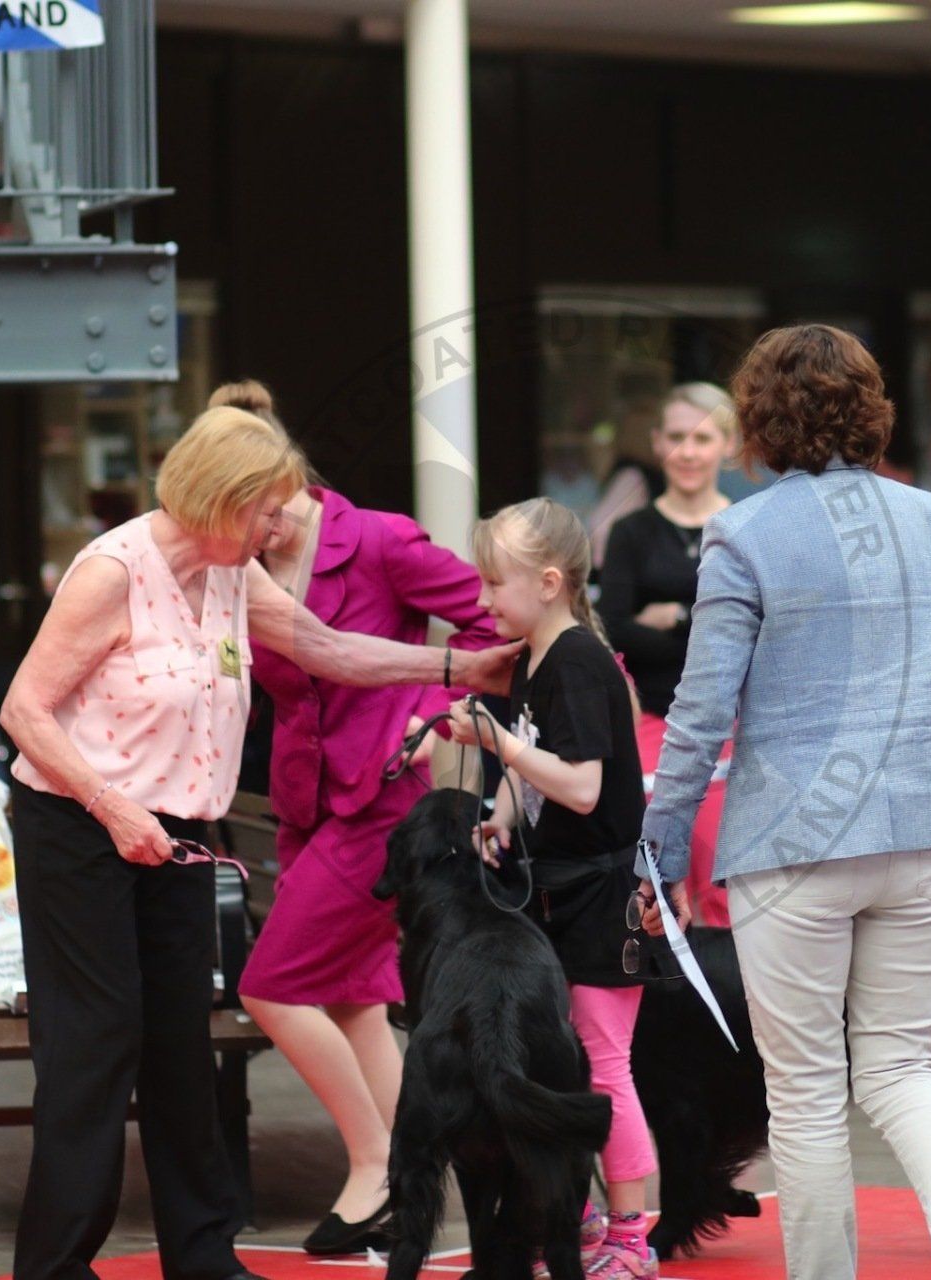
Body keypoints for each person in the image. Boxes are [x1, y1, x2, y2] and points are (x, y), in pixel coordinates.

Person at [0, 404, 516, 1280]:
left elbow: (325, 648)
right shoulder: (113, 571)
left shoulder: (231, 573)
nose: (279, 528)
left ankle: (203, 1255)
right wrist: (112, 809)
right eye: (268, 511)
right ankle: (54, 1266)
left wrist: (458, 668)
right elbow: (24, 710)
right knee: (96, 1043)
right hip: (80, 825)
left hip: (174, 831)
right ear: (222, 498)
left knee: (180, 1044)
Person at [635, 324, 931, 1280]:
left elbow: (701, 710)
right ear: (870, 411)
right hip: (929, 828)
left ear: (758, 422)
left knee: (805, 1092)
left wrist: (659, 847)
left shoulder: (742, 533)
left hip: (792, 841)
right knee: (903, 1068)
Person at [205, 380, 501, 1256]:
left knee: (269, 986)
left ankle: (377, 1164)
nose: (255, 524)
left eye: (259, 501)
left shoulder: (378, 539)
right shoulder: (240, 562)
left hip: (383, 803)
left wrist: (431, 716)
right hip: (305, 804)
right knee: (354, 1005)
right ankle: (415, 1179)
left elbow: (489, 625)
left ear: (285, 474)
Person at [445, 497, 662, 1280]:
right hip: (558, 891)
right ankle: (582, 1215)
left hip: (603, 895)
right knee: (560, 1061)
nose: (482, 599)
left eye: (493, 582)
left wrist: (498, 743)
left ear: (547, 582)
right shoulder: (535, 658)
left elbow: (578, 785)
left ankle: (632, 1234)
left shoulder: (574, 661)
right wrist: (500, 817)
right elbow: (534, 771)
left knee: (602, 1064)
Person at [597, 383, 739, 926]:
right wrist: (709, 626)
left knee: (725, 881)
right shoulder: (631, 532)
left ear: (728, 445)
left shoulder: (746, 525)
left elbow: (761, 634)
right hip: (653, 720)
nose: (687, 451)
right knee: (655, 879)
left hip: (736, 724)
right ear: (656, 443)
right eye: (676, 437)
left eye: (702, 438)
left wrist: (672, 615)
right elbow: (613, 628)